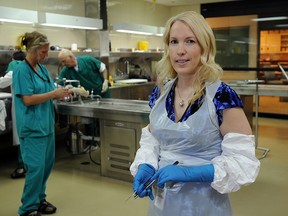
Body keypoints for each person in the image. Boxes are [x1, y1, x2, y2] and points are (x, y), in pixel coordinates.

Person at [130, 11, 260, 216]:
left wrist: (194, 172)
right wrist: (146, 163)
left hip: (204, 205)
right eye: (174, 41)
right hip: (162, 204)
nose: (180, 50)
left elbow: (243, 162)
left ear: (204, 47)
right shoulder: (161, 92)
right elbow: (153, 139)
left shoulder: (221, 96)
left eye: (190, 41)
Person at [13, 31, 71, 216]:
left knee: (45, 167)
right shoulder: (22, 70)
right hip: (32, 129)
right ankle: (27, 208)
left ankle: (39, 199)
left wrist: (61, 91)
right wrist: (53, 94)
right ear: (33, 49)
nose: (46, 55)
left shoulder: (43, 69)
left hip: (46, 127)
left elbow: (49, 90)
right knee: (35, 169)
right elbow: (28, 99)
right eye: (43, 52)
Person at [58, 49, 110, 150]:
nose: (63, 64)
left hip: (102, 93)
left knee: (107, 118)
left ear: (71, 57)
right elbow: (58, 85)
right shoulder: (66, 71)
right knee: (89, 120)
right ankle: (92, 144)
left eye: (64, 61)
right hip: (87, 98)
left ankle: (110, 141)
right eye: (61, 62)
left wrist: (105, 81)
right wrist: (72, 89)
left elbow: (103, 68)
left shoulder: (87, 60)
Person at [0, 50, 26, 179]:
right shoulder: (34, 68)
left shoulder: (13, 69)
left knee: (22, 136)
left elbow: (2, 82)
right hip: (36, 108)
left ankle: (22, 166)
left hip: (21, 108)